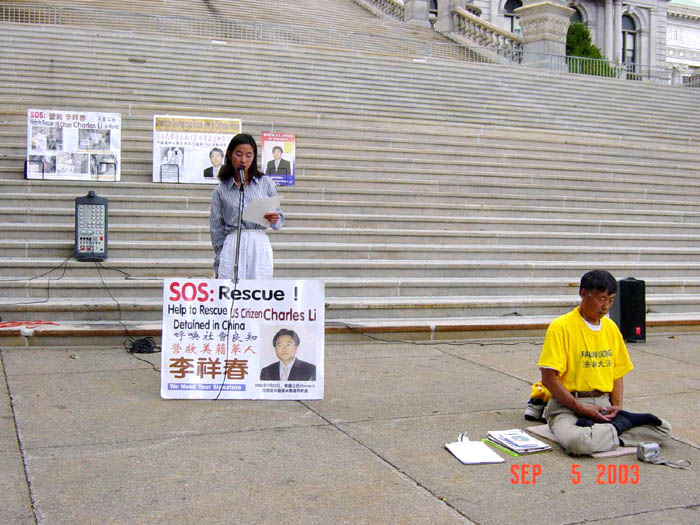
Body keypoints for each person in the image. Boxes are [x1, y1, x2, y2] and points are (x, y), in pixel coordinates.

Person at [537, 269, 671, 455]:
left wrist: (617, 408)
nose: (606, 306)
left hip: (603, 404)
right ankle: (612, 431)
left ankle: (605, 431)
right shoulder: (561, 327)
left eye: (611, 300)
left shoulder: (611, 328)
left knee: (663, 429)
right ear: (584, 294)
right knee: (577, 442)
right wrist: (581, 409)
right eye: (602, 299)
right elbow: (549, 378)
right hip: (568, 405)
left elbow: (617, 375)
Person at [209, 133, 283, 279]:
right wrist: (218, 262)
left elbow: (279, 220)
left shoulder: (265, 183)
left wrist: (274, 218)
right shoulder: (221, 190)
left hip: (259, 243)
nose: (243, 160)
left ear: (254, 157)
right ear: (229, 154)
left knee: (259, 289)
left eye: (249, 155)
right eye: (239, 154)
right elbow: (216, 229)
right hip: (233, 242)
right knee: (231, 289)